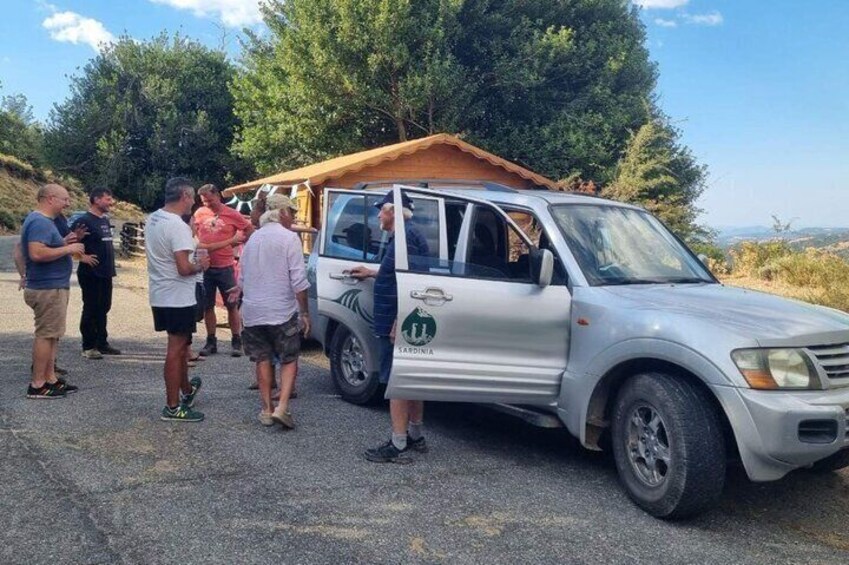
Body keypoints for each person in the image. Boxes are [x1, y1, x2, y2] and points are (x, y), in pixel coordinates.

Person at [350, 192, 430, 463]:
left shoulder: (405, 239)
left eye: (380, 211)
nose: (378, 216)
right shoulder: (405, 237)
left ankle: (398, 444)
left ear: (392, 211)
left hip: (396, 319)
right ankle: (415, 435)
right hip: (399, 316)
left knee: (397, 380)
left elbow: (413, 284)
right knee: (411, 378)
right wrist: (374, 273)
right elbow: (398, 274)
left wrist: (400, 319)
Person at [231, 198, 310, 428]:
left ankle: (266, 410)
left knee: (262, 359)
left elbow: (242, 277)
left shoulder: (253, 238)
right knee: (289, 358)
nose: (294, 217)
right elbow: (298, 280)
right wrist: (304, 312)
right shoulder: (289, 238)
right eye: (292, 212)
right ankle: (282, 408)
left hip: (253, 311)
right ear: (282, 212)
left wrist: (240, 296)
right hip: (281, 311)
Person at [145, 177, 209, 422]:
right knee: (176, 349)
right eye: (192, 197)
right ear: (184, 196)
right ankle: (172, 407)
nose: (193, 202)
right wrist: (200, 265)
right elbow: (184, 268)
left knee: (181, 347)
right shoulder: (178, 225)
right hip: (177, 295)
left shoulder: (153, 218)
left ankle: (186, 390)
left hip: (160, 292)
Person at [20, 184, 85, 398]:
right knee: (46, 335)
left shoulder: (44, 222)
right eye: (64, 199)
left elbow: (43, 247)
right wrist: (69, 248)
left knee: (53, 335)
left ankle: (51, 379)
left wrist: (63, 242)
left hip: (53, 286)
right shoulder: (40, 221)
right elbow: (36, 253)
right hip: (47, 288)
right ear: (50, 198)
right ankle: (38, 384)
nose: (68, 203)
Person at [193, 184, 254, 357]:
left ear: (218, 196)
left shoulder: (232, 214)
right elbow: (194, 231)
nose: (208, 205)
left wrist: (238, 241)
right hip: (206, 266)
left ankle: (236, 340)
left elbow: (248, 228)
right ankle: (211, 340)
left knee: (231, 304)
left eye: (210, 201)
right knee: (207, 305)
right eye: (204, 202)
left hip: (225, 265)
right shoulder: (200, 213)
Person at [71, 188, 120, 359]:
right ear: (96, 200)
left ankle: (102, 343)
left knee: (104, 307)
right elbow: (67, 242)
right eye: (107, 199)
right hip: (91, 273)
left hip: (106, 272)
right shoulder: (83, 221)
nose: (110, 202)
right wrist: (81, 257)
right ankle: (88, 346)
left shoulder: (104, 220)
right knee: (91, 308)